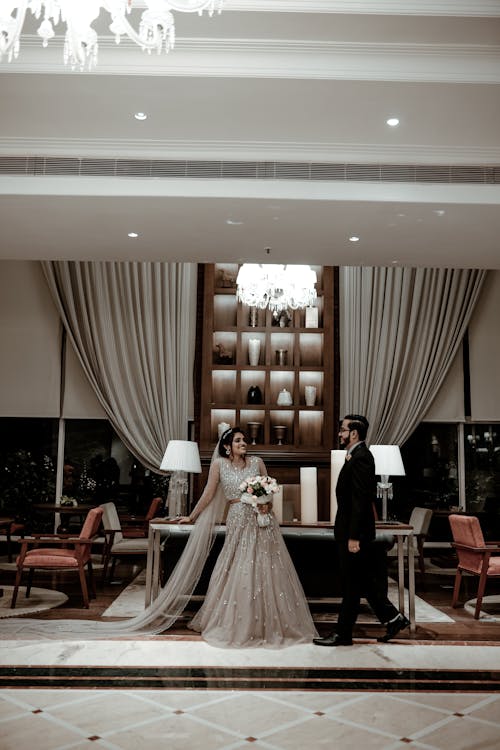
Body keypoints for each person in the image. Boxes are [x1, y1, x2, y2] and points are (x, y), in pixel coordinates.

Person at [176, 427, 318, 648]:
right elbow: (209, 493)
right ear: (227, 446)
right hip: (237, 517)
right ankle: (236, 621)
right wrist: (192, 517)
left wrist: (266, 505)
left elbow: (269, 492)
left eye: (244, 440)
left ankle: (267, 623)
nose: (244, 443)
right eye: (238, 440)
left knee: (267, 564)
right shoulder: (219, 465)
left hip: (261, 519)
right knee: (239, 563)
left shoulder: (256, 462)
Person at [313, 414, 410, 647]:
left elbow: (360, 500)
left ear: (353, 433)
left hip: (354, 534)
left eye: (342, 430)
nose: (339, 433)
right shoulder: (356, 456)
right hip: (351, 531)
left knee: (351, 584)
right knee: (360, 582)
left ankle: (343, 634)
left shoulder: (362, 458)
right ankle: (393, 618)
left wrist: (353, 536)